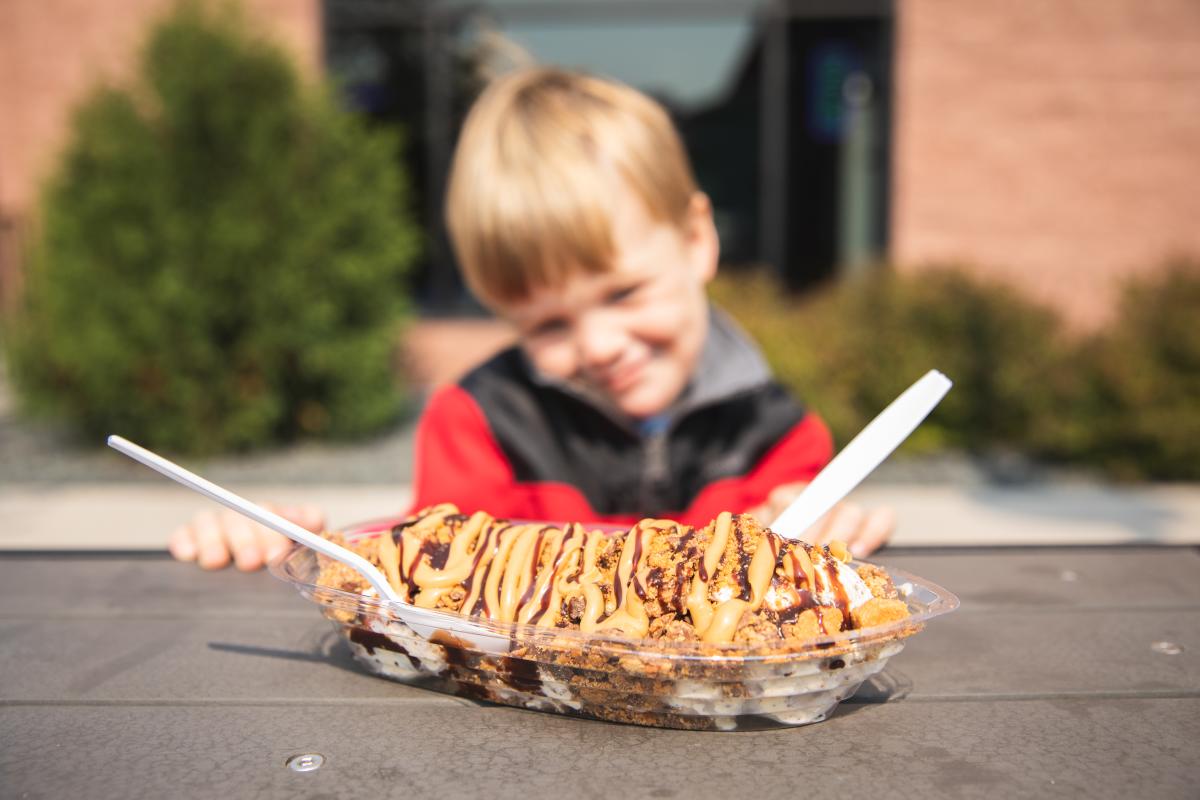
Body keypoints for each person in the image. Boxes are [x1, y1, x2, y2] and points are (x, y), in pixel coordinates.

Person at [169, 67, 895, 572]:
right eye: (548, 325)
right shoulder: (480, 424)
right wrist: (298, 540)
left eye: (623, 293)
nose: (601, 346)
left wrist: (819, 525)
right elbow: (431, 570)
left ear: (698, 241)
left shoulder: (781, 437)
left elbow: (802, 577)